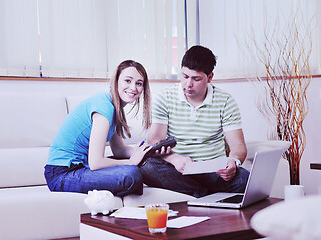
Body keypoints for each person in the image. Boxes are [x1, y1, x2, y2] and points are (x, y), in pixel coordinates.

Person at [140, 46, 250, 198]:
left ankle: (197, 193)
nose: (188, 84)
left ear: (210, 77)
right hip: (177, 170)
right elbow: (154, 141)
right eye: (185, 76)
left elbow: (238, 146)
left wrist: (234, 161)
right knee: (147, 167)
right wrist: (175, 159)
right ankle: (204, 195)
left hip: (214, 171)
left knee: (245, 178)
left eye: (196, 79)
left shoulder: (225, 101)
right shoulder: (165, 98)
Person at [44, 60, 152, 197]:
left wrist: (146, 151)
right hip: (62, 174)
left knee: (147, 164)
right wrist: (130, 162)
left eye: (139, 83)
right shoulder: (104, 107)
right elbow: (96, 162)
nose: (133, 87)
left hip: (82, 168)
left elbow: (119, 150)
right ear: (116, 81)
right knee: (130, 174)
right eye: (128, 81)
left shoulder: (115, 108)